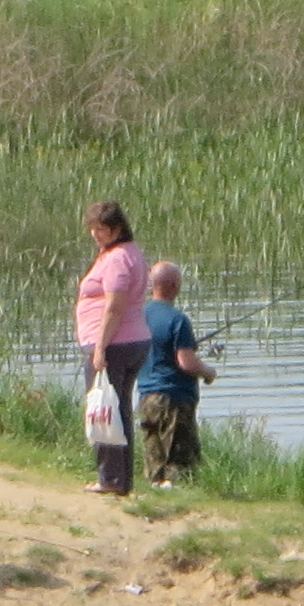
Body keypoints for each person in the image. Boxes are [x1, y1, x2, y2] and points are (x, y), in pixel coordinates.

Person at [73, 201, 147, 493]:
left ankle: (110, 479)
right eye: (92, 228)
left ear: (117, 229)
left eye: (101, 229)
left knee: (104, 410)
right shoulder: (129, 252)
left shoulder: (117, 258)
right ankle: (121, 480)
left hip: (115, 343)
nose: (95, 234)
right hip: (131, 340)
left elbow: (114, 307)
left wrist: (100, 348)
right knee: (119, 410)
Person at [135, 263, 211, 488]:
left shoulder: (138, 317)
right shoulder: (178, 320)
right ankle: (179, 498)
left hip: (146, 397)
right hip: (174, 399)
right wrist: (208, 372)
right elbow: (186, 362)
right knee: (179, 463)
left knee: (154, 462)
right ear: (175, 286)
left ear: (152, 285)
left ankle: (154, 495)